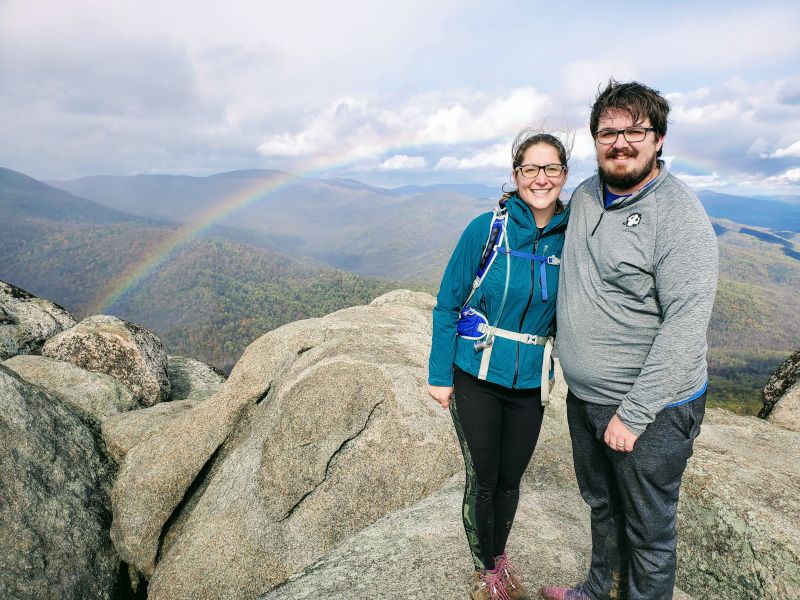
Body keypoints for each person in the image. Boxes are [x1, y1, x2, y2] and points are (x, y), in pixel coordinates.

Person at [539, 80, 718, 600]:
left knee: (649, 530)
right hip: (588, 399)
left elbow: (686, 325)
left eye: (634, 131)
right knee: (602, 505)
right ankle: (599, 589)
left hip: (651, 408)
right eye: (608, 132)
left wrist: (635, 414)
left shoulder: (679, 216)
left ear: (658, 139)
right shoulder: (588, 195)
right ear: (595, 140)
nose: (620, 143)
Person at [428, 128, 571, 600]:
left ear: (564, 175)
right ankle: (484, 573)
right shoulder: (487, 229)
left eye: (551, 168)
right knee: (484, 480)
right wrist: (438, 376)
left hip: (531, 382)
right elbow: (447, 303)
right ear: (516, 175)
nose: (541, 178)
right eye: (531, 168)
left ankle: (500, 557)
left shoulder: (572, 238)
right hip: (477, 376)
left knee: (511, 481)